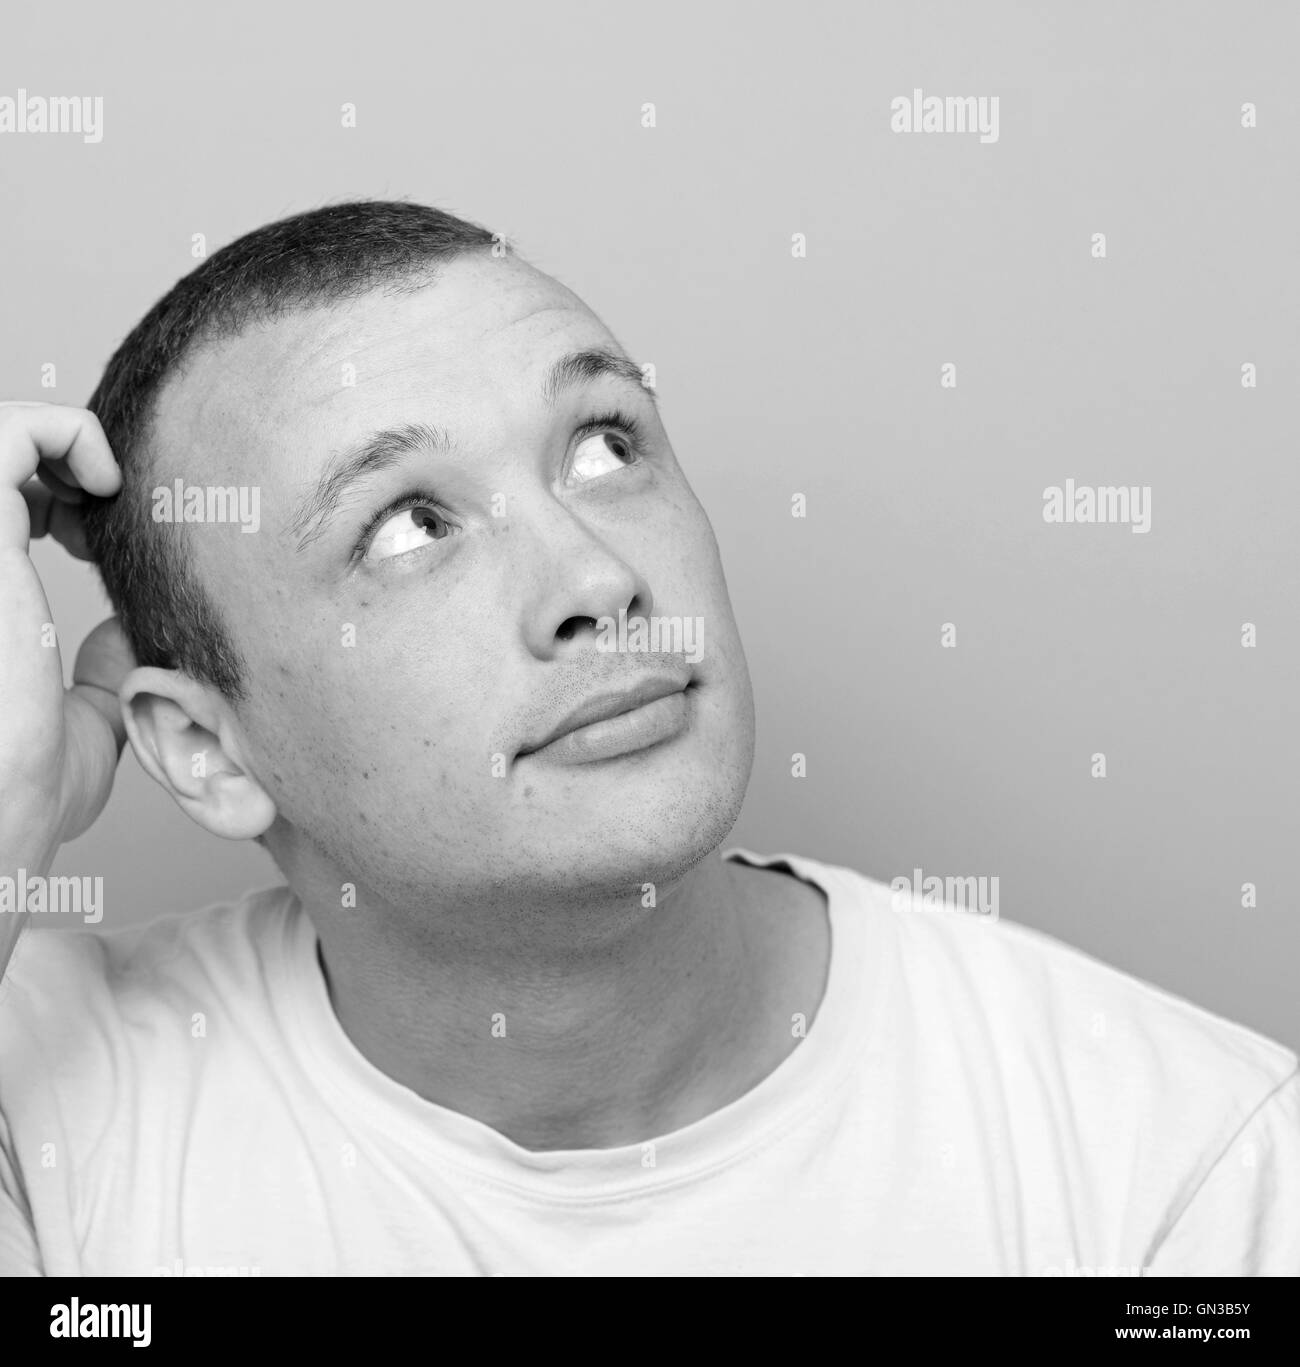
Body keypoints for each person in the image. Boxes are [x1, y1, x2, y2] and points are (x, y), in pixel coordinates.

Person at [0, 202, 1295, 1277]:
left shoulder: (1189, 1168)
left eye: (606, 442)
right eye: (407, 526)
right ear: (208, 751)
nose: (596, 578)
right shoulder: (47, 1115)